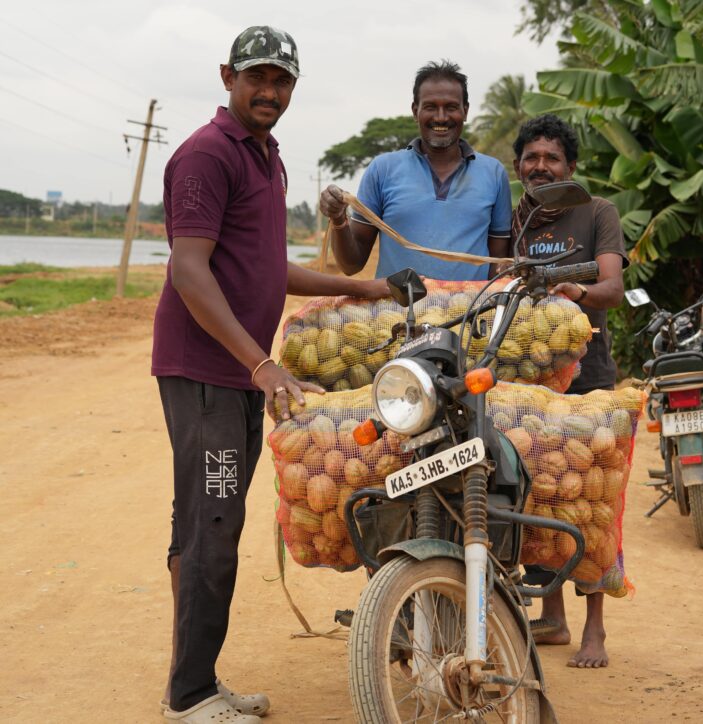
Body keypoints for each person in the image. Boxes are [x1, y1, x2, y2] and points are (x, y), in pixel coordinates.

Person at [152, 26, 387, 723]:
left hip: (233, 374)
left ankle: (197, 679)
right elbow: (188, 268)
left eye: (282, 81)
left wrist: (366, 289)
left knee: (208, 522)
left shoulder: (268, 158)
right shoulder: (206, 154)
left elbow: (264, 268)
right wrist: (258, 361)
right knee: (211, 522)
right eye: (258, 78)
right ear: (228, 75)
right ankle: (189, 696)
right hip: (206, 373)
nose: (270, 92)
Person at [512, 113, 628, 668]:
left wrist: (577, 292)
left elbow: (613, 288)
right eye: (531, 158)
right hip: (529, 383)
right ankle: (553, 617)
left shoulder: (598, 212)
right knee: (538, 494)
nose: (540, 166)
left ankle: (596, 630)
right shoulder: (516, 219)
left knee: (594, 501)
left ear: (570, 167)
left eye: (551, 158)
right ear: (518, 167)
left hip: (590, 382)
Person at [319, 60, 512, 281]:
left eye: (451, 107)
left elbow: (498, 265)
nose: (441, 117)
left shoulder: (494, 173)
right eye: (430, 107)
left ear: (465, 111)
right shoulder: (382, 170)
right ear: (415, 111)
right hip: (394, 312)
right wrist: (338, 219)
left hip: (469, 310)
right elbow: (351, 265)